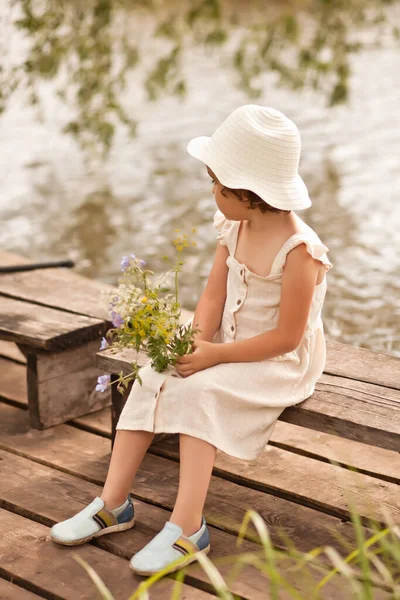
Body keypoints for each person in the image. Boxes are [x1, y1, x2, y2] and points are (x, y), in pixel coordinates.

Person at [50, 105, 333, 576]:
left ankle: (187, 527)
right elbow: (212, 295)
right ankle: (113, 503)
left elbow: (286, 337)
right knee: (154, 374)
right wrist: (196, 341)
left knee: (200, 394)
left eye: (217, 186)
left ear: (249, 194)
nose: (212, 193)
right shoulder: (234, 227)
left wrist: (214, 357)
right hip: (224, 344)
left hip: (277, 360)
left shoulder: (301, 253)